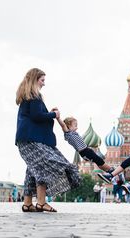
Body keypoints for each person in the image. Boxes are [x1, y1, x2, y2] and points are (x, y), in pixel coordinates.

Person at [15, 68, 80, 213]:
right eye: (42, 80)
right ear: (34, 80)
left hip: (25, 139)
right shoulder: (34, 96)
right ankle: (41, 202)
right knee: (44, 166)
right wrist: (53, 114)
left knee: (33, 169)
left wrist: (48, 113)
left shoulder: (28, 96)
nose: (44, 83)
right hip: (32, 139)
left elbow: (35, 115)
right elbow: (37, 116)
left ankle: (27, 203)